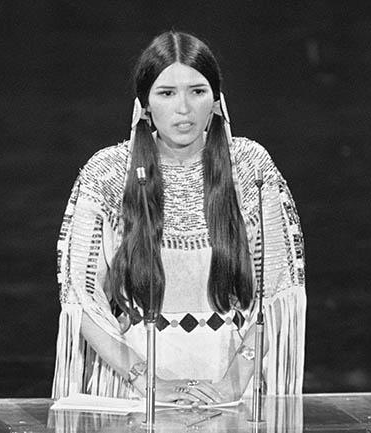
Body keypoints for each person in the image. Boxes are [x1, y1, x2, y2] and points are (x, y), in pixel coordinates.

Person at [51, 31, 306, 405]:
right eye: (167, 93)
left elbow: (279, 291)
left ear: (216, 101)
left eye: (197, 91)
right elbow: (80, 296)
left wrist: (231, 386)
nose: (183, 108)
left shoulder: (251, 168)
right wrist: (146, 381)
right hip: (133, 393)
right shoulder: (107, 173)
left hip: (231, 391)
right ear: (145, 104)